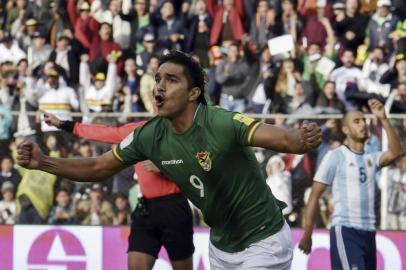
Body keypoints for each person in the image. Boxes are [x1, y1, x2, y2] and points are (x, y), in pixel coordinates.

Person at [17, 50, 322, 270]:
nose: (159, 86)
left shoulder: (219, 122)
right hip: (222, 248)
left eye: (171, 80)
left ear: (193, 93)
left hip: (264, 239)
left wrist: (302, 138)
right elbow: (99, 167)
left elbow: (282, 138)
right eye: (158, 78)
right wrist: (44, 163)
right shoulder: (148, 135)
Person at [41, 111, 194, 270]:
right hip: (146, 209)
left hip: (174, 208)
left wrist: (165, 164)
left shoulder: (182, 132)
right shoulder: (137, 130)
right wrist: (62, 124)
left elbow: (196, 163)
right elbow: (103, 132)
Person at [298, 99, 404, 270]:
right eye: (357, 121)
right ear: (345, 130)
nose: (363, 124)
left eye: (364, 120)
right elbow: (314, 195)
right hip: (346, 230)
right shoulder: (336, 156)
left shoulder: (371, 158)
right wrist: (307, 234)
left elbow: (396, 152)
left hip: (369, 232)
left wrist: (384, 119)